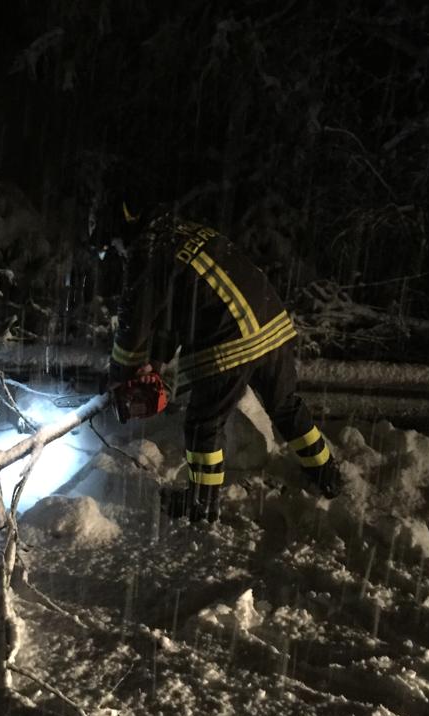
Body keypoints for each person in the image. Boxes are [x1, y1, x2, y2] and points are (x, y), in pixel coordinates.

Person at [95, 195, 343, 523]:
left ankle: (201, 503)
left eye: (113, 246)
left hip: (229, 338)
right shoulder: (186, 234)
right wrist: (156, 361)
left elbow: (134, 324)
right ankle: (327, 474)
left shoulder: (149, 252)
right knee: (285, 405)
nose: (118, 253)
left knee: (204, 423)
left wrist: (119, 375)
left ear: (121, 233)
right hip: (272, 326)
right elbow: (175, 312)